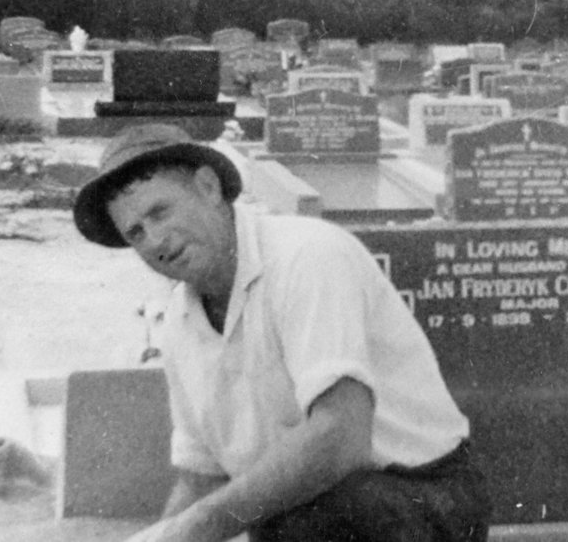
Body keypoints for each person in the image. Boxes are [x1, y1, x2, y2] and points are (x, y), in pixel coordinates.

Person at [73, 123, 490, 542]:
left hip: (424, 497)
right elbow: (200, 480)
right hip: (315, 511)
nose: (156, 241)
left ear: (208, 187)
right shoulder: (179, 326)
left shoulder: (307, 257)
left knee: (304, 520)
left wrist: (196, 528)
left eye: (160, 212)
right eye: (136, 233)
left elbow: (342, 437)